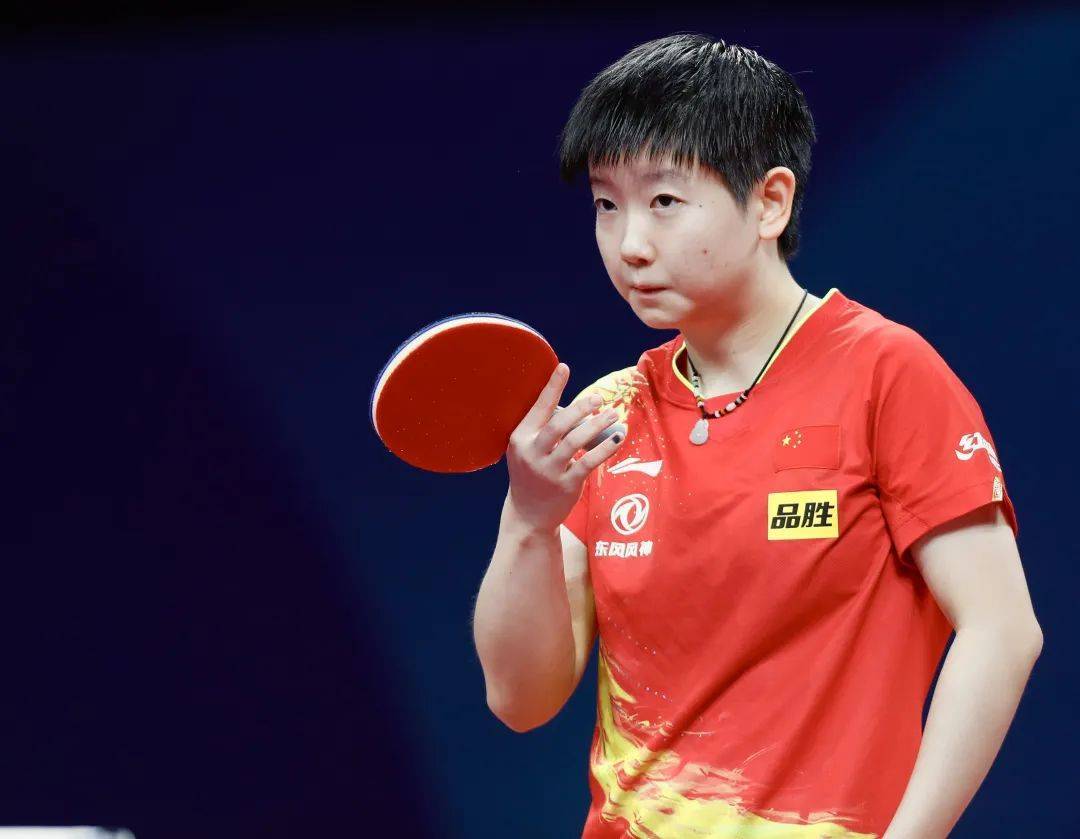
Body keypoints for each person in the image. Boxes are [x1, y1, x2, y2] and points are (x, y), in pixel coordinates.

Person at [471, 33, 1042, 839]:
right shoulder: (609, 415)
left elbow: (1002, 629)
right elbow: (520, 699)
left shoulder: (885, 374)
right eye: (606, 204)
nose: (630, 244)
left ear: (770, 201)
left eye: (664, 201)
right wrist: (528, 520)